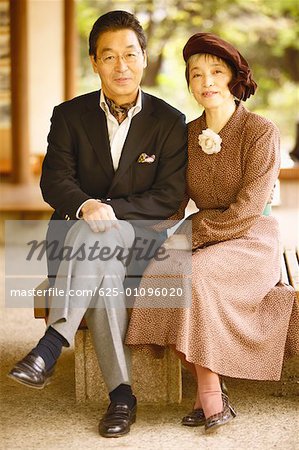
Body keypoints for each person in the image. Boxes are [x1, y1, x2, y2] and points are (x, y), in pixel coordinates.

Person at [8, 11, 187, 438]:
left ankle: (52, 347)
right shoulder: (69, 116)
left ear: (144, 58)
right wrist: (86, 206)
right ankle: (122, 396)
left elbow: (168, 197)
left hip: (140, 239)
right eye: (109, 56)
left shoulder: (169, 121)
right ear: (94, 62)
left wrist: (104, 208)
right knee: (96, 249)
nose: (121, 65)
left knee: (98, 238)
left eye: (130, 54)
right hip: (75, 237)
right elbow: (54, 181)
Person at [126, 32, 299, 433]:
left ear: (234, 78)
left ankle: (208, 396)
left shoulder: (260, 130)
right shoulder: (185, 135)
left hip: (251, 237)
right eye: (196, 74)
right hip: (201, 233)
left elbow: (249, 207)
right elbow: (173, 201)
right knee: (160, 275)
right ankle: (215, 390)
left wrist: (191, 238)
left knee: (195, 275)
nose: (206, 82)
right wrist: (150, 237)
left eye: (216, 72)